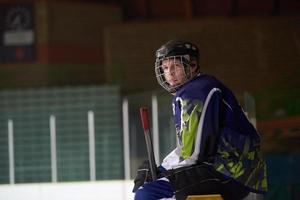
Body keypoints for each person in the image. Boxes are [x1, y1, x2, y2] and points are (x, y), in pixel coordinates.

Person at [132, 40, 268, 200]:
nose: (169, 73)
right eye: (165, 68)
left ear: (193, 65)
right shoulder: (196, 88)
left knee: (147, 195)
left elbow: (193, 153)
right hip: (234, 171)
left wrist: (163, 171)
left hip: (228, 172)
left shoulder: (195, 91)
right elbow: (190, 148)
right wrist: (163, 167)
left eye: (175, 66)